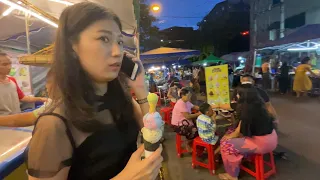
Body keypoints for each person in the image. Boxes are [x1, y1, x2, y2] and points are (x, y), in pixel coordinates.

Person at [25, 3, 162, 180]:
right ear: (72, 46)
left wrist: (140, 87)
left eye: (119, 42)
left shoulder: (122, 100)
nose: (117, 52)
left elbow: (154, 137)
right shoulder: (54, 124)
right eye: (104, 39)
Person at [218, 86, 278, 180]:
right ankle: (244, 157)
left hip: (262, 144)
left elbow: (238, 133)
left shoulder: (246, 111)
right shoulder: (259, 106)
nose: (236, 96)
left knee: (225, 144)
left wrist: (228, 137)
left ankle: (232, 175)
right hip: (272, 139)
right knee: (232, 136)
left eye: (238, 94)